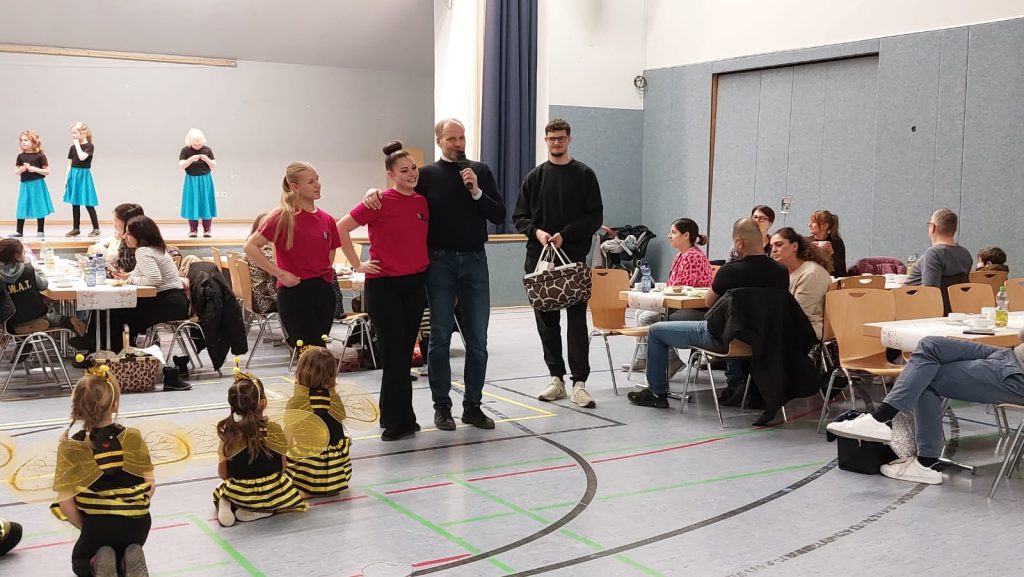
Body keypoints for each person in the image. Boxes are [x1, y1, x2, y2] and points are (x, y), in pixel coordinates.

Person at [362, 118, 504, 432]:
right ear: (439, 140)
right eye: (452, 138)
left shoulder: (480, 171)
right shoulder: (425, 175)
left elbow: (498, 213)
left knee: (478, 340)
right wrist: (374, 191)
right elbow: (400, 192)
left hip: (475, 261)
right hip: (439, 262)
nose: (458, 143)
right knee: (439, 336)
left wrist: (476, 191)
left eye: (462, 138)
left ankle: (473, 406)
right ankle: (442, 407)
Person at [628, 218, 788, 409]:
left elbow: (709, 302)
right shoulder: (781, 271)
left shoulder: (730, 271)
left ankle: (656, 392)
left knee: (655, 330)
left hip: (723, 337)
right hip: (761, 339)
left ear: (739, 243)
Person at [827, 331, 1024, 484]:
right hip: (1010, 355)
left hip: (1016, 375)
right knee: (931, 345)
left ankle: (924, 461)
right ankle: (881, 420)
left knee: (925, 377)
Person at [338, 142, 429, 441]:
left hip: (414, 284)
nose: (411, 174)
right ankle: (397, 419)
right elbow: (341, 228)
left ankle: (401, 416)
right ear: (391, 175)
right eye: (404, 171)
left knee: (404, 352)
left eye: (413, 168)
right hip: (385, 285)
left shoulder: (421, 202)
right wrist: (357, 264)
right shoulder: (379, 201)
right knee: (393, 353)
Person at [515, 118, 604, 407]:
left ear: (569, 139)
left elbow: (595, 217)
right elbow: (519, 217)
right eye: (552, 138)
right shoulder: (534, 177)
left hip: (573, 258)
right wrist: (537, 232)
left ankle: (580, 383)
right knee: (546, 321)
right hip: (539, 258)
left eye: (561, 138)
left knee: (576, 321)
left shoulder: (585, 174)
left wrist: (566, 235)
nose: (556, 142)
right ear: (546, 140)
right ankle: (556, 379)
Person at [54, 368, 154, 576]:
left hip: (98, 525)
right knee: (124, 541)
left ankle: (97, 560)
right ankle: (126, 559)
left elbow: (66, 505)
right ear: (114, 404)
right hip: (137, 525)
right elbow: (150, 486)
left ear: (78, 408)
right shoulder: (133, 437)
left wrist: (88, 527)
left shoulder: (71, 447)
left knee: (79, 561)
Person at [246, 162, 341, 348]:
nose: (318, 185)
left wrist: (323, 274)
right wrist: (280, 274)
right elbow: (251, 247)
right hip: (295, 290)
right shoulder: (282, 217)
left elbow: (331, 250)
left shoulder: (327, 219)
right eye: (311, 182)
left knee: (319, 348)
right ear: (295, 187)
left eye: (317, 179)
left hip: (322, 290)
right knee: (308, 348)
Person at [214, 371, 308, 526]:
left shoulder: (230, 433)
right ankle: (258, 511)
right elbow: (283, 467)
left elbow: (223, 474)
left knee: (223, 487)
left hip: (241, 492)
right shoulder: (274, 429)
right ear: (263, 403)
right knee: (282, 492)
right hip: (272, 491)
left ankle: (227, 502)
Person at [623, 217, 713, 373]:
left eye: (673, 232)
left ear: (686, 235)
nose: (669, 236)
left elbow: (682, 289)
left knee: (646, 317)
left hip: (693, 308)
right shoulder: (680, 256)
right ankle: (644, 358)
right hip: (679, 305)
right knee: (639, 312)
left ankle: (671, 359)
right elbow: (674, 286)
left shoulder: (693, 256)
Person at [106, 216, 189, 353]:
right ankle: (116, 350)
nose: (124, 237)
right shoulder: (154, 248)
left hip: (168, 303)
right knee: (118, 310)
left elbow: (154, 280)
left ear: (140, 235)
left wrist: (129, 279)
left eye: (129, 233)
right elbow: (139, 274)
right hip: (176, 302)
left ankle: (112, 352)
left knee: (116, 312)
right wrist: (127, 276)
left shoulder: (143, 251)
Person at [286, 347, 352, 496]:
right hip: (338, 472)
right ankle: (326, 485)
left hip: (311, 467)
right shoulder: (334, 398)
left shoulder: (298, 401)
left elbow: (287, 439)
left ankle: (307, 487)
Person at [0, 238, 86, 336]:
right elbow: (43, 285)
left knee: (16, 320)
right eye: (23, 253)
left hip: (12, 321)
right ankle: (66, 321)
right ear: (17, 256)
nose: (25, 255)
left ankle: (24, 334)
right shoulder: (28, 269)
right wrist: (39, 270)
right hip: (38, 315)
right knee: (54, 316)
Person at [769, 227, 833, 340]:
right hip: (790, 331)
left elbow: (800, 316)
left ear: (794, 246)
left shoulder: (811, 273)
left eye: (779, 245)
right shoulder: (784, 273)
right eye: (771, 247)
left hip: (806, 336)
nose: (773, 250)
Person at [905, 209, 973, 312]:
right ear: (954, 229)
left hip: (916, 311)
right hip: (954, 311)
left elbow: (930, 292)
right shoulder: (965, 253)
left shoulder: (933, 254)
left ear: (932, 227)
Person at [13, 129, 54, 238]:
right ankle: (19, 231)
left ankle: (40, 231)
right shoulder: (20, 156)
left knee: (39, 205)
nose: (23, 142)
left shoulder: (40, 156)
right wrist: (21, 169)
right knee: (22, 206)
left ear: (34, 142)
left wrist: (35, 169)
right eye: (22, 140)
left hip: (37, 184)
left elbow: (47, 171)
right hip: (25, 185)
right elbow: (16, 171)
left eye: (26, 140)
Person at [63, 122, 101, 237]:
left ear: (83, 133)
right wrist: (66, 178)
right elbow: (69, 164)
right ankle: (76, 228)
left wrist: (77, 145)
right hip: (74, 175)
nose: (73, 135)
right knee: (75, 203)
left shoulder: (89, 146)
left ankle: (96, 228)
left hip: (83, 175)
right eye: (72, 133)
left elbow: (82, 157)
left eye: (75, 133)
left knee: (88, 202)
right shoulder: (72, 148)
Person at [179, 128, 217, 238]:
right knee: (192, 202)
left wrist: (207, 160)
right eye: (195, 144)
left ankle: (207, 229)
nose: (197, 146)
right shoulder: (185, 150)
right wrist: (191, 159)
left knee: (207, 202)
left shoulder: (207, 150)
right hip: (191, 179)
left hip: (205, 179)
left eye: (200, 144)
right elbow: (182, 165)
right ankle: (193, 229)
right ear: (190, 142)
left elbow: (214, 165)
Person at [90, 203, 145, 274]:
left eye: (115, 220)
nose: (113, 223)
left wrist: (93, 268)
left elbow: (123, 273)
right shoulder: (123, 239)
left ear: (126, 222)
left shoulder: (137, 247)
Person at [245, 213, 278, 314]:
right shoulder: (263, 252)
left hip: (253, 298)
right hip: (265, 301)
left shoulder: (252, 249)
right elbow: (278, 267)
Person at [808, 210, 846, 277]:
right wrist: (808, 251)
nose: (809, 225)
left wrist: (832, 254)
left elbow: (841, 272)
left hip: (831, 279)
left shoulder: (836, 242)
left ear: (825, 226)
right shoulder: (807, 242)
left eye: (814, 222)